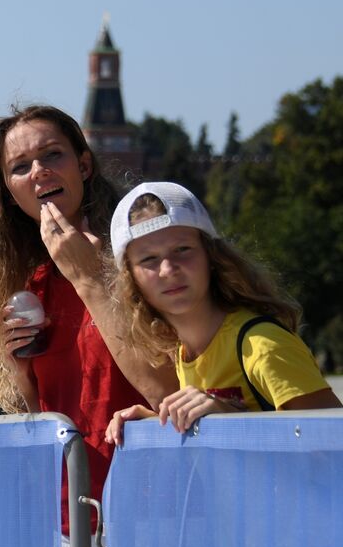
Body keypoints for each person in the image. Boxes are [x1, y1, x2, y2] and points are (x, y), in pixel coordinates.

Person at [0, 105, 176, 547]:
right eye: (20, 167)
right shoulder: (29, 284)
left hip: (158, 506)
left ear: (84, 165)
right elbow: (43, 415)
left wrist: (88, 276)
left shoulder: (142, 260)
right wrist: (18, 371)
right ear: (8, 192)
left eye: (53, 155)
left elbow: (166, 388)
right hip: (74, 515)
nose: (39, 171)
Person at [105, 181, 340, 441]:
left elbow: (331, 440)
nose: (168, 269)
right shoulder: (184, 353)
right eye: (149, 259)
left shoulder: (262, 345)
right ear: (131, 279)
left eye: (182, 249)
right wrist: (153, 427)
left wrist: (227, 418)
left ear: (211, 256)